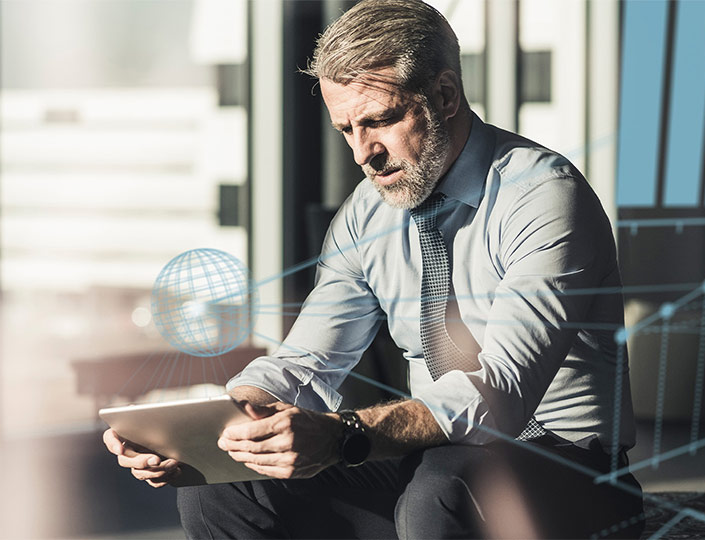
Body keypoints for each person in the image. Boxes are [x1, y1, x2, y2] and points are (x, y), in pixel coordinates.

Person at [103, 0, 644, 537]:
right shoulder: (366, 213)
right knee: (223, 487)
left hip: (570, 473)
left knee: (442, 486)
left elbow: (501, 390)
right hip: (435, 466)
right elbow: (307, 362)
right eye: (346, 129)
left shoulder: (543, 195)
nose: (363, 153)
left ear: (445, 95)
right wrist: (219, 427)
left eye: (380, 121)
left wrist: (343, 433)